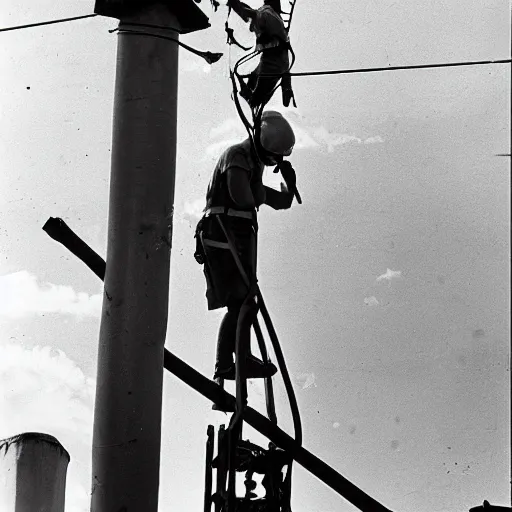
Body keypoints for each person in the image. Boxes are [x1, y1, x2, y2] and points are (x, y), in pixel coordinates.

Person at [194, 111, 298, 381]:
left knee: (244, 303)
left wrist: (289, 184)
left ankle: (236, 361)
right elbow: (242, 198)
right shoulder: (237, 156)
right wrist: (262, 192)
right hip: (221, 237)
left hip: (235, 240)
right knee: (240, 303)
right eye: (275, 157)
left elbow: (280, 201)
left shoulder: (254, 162)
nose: (275, 162)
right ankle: (228, 364)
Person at [228, 0, 295, 108]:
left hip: (273, 66)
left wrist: (287, 86)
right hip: (274, 63)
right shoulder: (271, 15)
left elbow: (250, 14)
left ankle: (251, 107)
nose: (251, 29)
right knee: (252, 80)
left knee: (255, 99)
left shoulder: (264, 15)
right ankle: (250, 103)